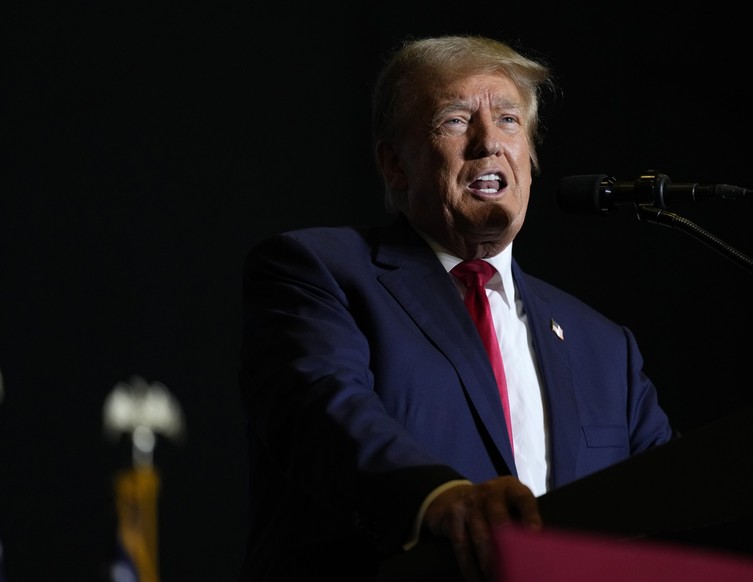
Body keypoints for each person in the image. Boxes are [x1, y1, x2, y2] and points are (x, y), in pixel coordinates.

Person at [237, 34, 675, 581]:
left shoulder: (606, 348)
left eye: (510, 121)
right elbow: (326, 414)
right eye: (455, 120)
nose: (489, 142)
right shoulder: (318, 272)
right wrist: (437, 497)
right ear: (394, 164)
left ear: (531, 160)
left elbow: (673, 500)